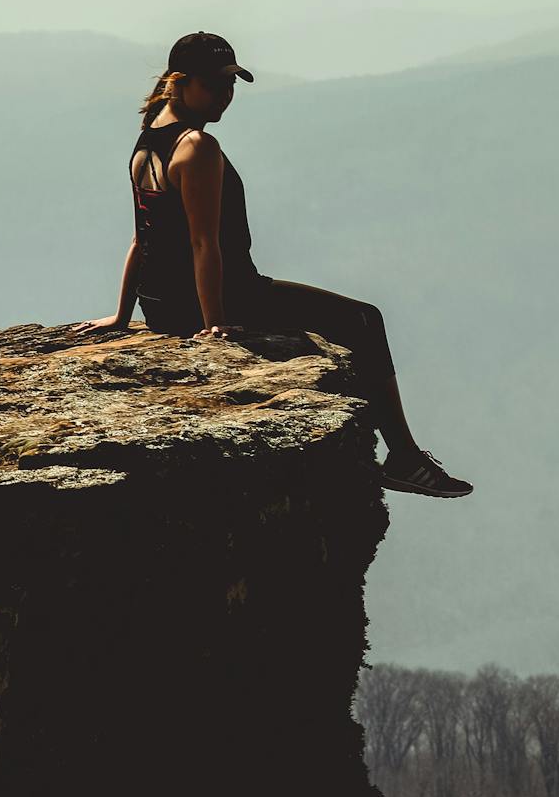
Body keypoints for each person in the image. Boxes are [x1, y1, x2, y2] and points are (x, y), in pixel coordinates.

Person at [84, 31, 473, 499]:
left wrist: (126, 315)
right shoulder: (196, 147)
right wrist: (216, 324)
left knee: (349, 320)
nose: (225, 96)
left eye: (230, 84)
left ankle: (406, 457)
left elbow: (141, 238)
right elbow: (205, 244)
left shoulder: (147, 142)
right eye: (213, 85)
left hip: (162, 308)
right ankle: (405, 458)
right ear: (180, 83)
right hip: (227, 298)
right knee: (364, 320)